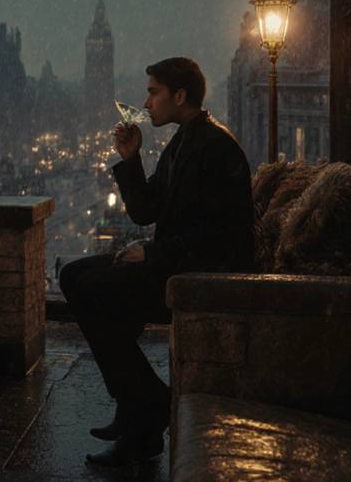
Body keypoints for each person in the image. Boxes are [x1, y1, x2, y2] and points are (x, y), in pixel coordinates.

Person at [60, 57, 254, 466]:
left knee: (94, 289)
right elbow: (146, 211)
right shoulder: (184, 140)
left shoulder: (216, 147)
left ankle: (144, 414)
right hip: (175, 263)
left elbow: (221, 239)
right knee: (73, 276)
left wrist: (150, 254)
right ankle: (136, 402)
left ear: (180, 96)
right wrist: (131, 159)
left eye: (153, 92)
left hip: (197, 276)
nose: (145, 104)